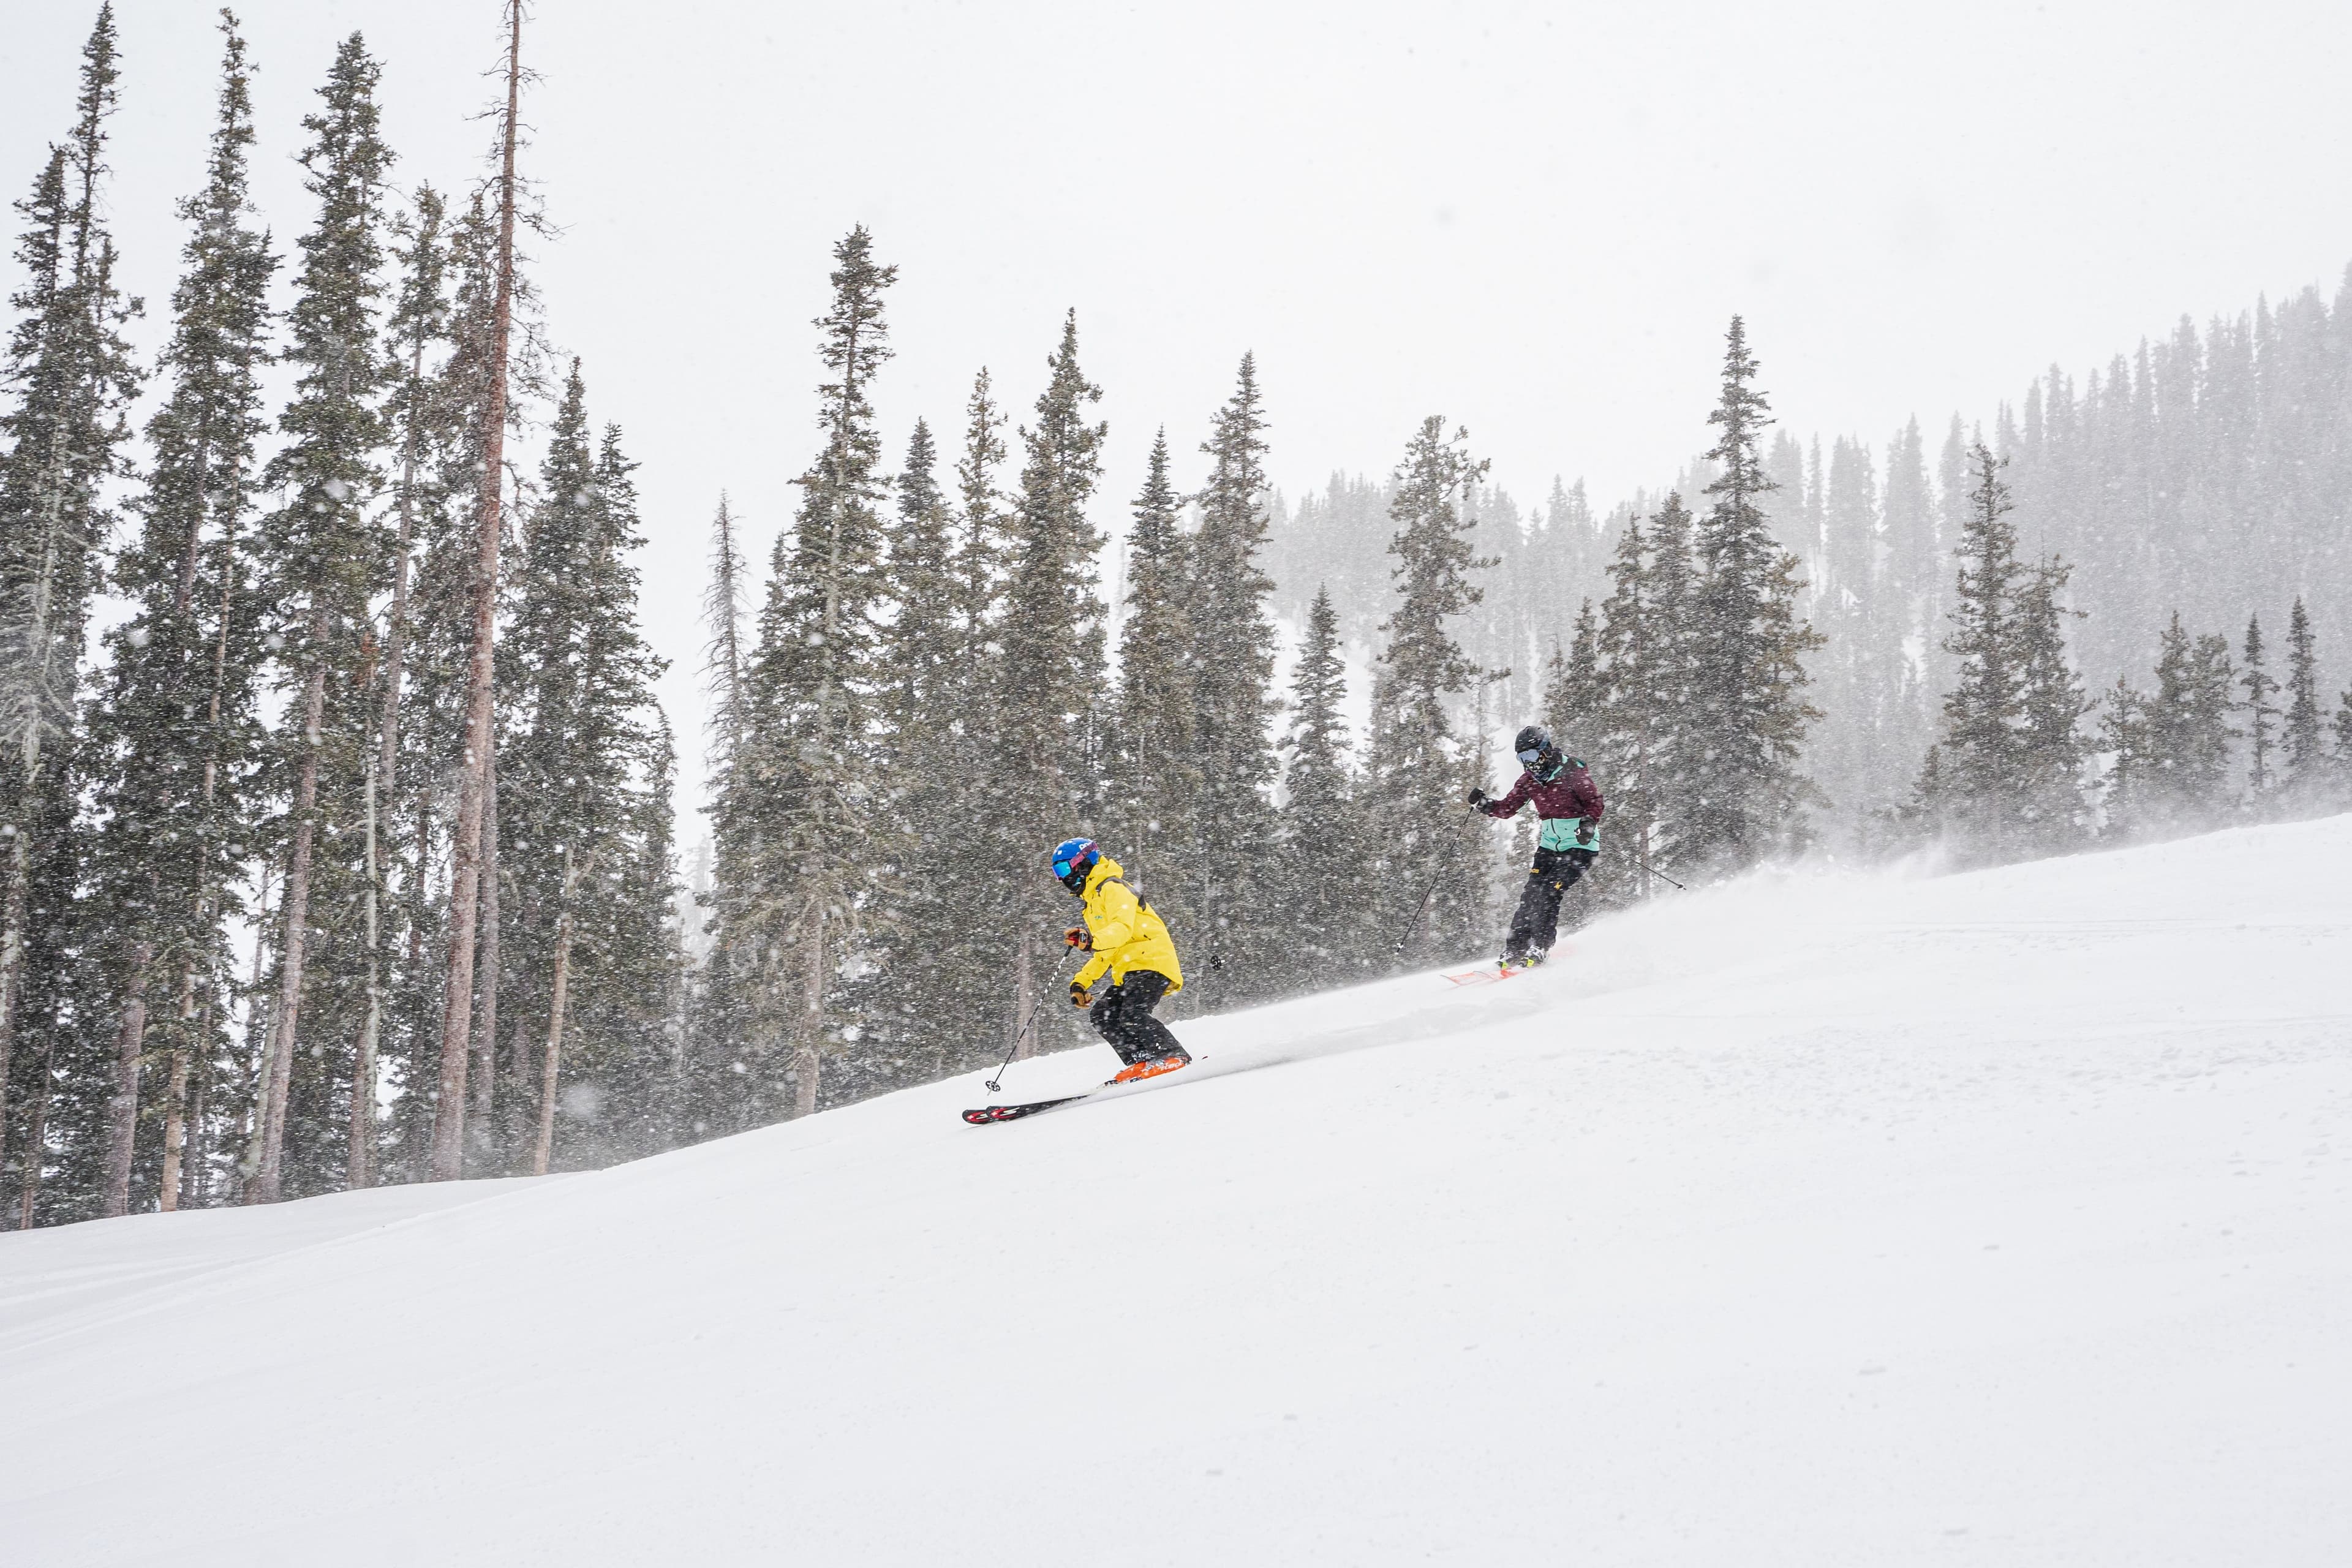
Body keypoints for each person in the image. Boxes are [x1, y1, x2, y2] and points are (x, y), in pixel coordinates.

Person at [1051, 837, 1190, 1084]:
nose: (1062, 879)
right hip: (1130, 969)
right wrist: (1081, 982)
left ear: (1082, 864)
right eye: (1056, 873)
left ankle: (1172, 1054)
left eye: (1063, 869)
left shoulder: (1112, 887)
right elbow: (1107, 949)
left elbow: (1122, 929)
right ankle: (1142, 1059)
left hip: (1152, 961)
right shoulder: (1092, 904)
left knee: (1132, 1013)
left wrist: (1091, 939)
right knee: (1102, 1015)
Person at [1468, 724, 1605, 968]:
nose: (1528, 763)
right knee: (1530, 896)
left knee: (1550, 891)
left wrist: (1588, 823)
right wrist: (1485, 804)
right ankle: (1514, 949)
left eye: (1531, 756)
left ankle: (1540, 946)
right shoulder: (1529, 780)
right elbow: (1508, 808)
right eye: (1522, 759)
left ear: (1545, 751)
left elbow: (1594, 802)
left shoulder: (1572, 772)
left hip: (1580, 847)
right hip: (1549, 848)